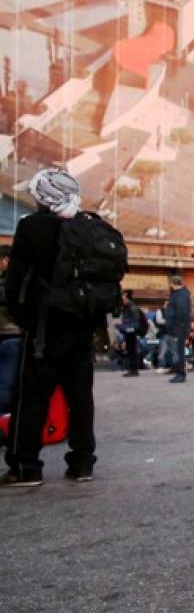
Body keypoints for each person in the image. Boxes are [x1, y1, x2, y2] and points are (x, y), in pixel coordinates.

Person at [2, 168, 105, 486]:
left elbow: (16, 278)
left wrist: (23, 317)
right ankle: (82, 463)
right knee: (80, 398)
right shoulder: (91, 226)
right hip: (81, 327)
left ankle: (25, 466)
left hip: (43, 330)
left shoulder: (31, 227)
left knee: (32, 397)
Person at [0, 245, 23, 414]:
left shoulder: (11, 281)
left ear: (6, 260)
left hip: (10, 335)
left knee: (6, 382)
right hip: (13, 334)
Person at [166, 276, 191, 383]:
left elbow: (182, 312)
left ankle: (181, 374)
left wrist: (179, 328)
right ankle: (178, 372)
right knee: (177, 351)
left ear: (172, 283)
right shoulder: (177, 294)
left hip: (179, 328)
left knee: (179, 351)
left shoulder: (181, 295)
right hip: (176, 327)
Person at [119, 290, 145, 376]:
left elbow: (135, 319)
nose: (121, 298)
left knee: (132, 350)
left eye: (123, 296)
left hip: (131, 330)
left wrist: (122, 322)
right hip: (129, 330)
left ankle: (133, 370)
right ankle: (132, 370)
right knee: (131, 350)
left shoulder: (131, 306)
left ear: (126, 296)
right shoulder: (126, 306)